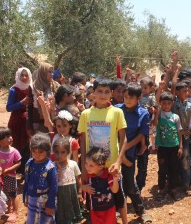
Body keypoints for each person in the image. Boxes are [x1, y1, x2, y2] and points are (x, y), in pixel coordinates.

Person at [77, 76, 127, 220]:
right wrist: (84, 168)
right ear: (93, 92)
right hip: (92, 167)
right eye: (99, 91)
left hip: (111, 166)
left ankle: (124, 221)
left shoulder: (117, 112)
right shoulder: (86, 114)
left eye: (106, 92)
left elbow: (124, 138)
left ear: (111, 93)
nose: (103, 95)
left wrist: (118, 162)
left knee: (118, 197)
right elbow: (83, 140)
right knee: (95, 199)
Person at [115, 83, 151, 222]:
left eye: (131, 97)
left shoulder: (143, 114)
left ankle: (141, 211)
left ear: (139, 98)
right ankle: (118, 208)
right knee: (114, 181)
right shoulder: (117, 110)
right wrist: (118, 152)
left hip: (129, 153)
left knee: (129, 183)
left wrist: (123, 151)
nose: (127, 100)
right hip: (114, 151)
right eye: (125, 97)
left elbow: (141, 134)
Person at [154, 86, 183, 201]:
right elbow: (155, 101)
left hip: (174, 147)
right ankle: (161, 190)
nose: (166, 105)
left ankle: (173, 189)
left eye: (168, 103)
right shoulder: (159, 115)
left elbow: (179, 132)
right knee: (162, 169)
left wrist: (180, 146)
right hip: (162, 147)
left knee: (173, 168)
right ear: (161, 104)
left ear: (172, 104)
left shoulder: (175, 117)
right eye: (164, 103)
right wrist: (160, 88)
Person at [23, 133, 58, 224]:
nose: (37, 155)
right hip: (32, 198)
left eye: (41, 152)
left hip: (45, 201)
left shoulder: (50, 167)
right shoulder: (29, 163)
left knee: (46, 220)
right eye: (34, 151)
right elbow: (27, 181)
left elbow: (54, 187)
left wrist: (50, 204)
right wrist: (25, 196)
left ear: (47, 151)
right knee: (32, 220)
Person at [172, 82, 191, 195]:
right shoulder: (173, 104)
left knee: (186, 160)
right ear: (177, 92)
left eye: (187, 91)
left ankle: (186, 185)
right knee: (175, 160)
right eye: (184, 91)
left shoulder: (189, 105)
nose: (187, 93)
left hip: (185, 137)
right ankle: (175, 183)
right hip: (174, 137)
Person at [82, 147, 120, 224]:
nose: (87, 167)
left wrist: (115, 180)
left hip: (109, 210)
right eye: (86, 164)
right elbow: (81, 187)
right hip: (95, 210)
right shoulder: (88, 176)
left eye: (91, 165)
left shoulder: (107, 175)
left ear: (100, 167)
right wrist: (85, 188)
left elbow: (114, 190)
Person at [6, 67, 31, 173]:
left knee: (27, 145)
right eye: (22, 75)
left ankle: (26, 170)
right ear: (18, 76)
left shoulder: (31, 88)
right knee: (16, 144)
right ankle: (16, 169)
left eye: (26, 75)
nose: (24, 77)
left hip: (28, 121)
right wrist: (21, 103)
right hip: (16, 121)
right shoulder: (14, 90)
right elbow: (8, 107)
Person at [0, 127, 22, 222]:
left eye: (10, 135)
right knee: (4, 194)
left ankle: (15, 212)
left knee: (13, 194)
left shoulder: (13, 151)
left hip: (11, 176)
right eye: (7, 136)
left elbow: (18, 162)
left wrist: (8, 170)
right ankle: (8, 209)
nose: (11, 138)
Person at [53, 137, 83, 224]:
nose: (59, 155)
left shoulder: (73, 164)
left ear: (68, 152)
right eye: (57, 152)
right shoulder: (52, 166)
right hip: (59, 194)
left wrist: (80, 192)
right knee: (60, 215)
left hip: (71, 193)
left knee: (72, 213)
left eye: (63, 152)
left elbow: (78, 179)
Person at [27, 62, 59, 136]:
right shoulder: (33, 87)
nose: (52, 74)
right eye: (49, 72)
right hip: (38, 122)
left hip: (53, 122)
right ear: (42, 72)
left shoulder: (56, 86)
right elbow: (29, 107)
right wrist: (29, 126)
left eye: (52, 72)